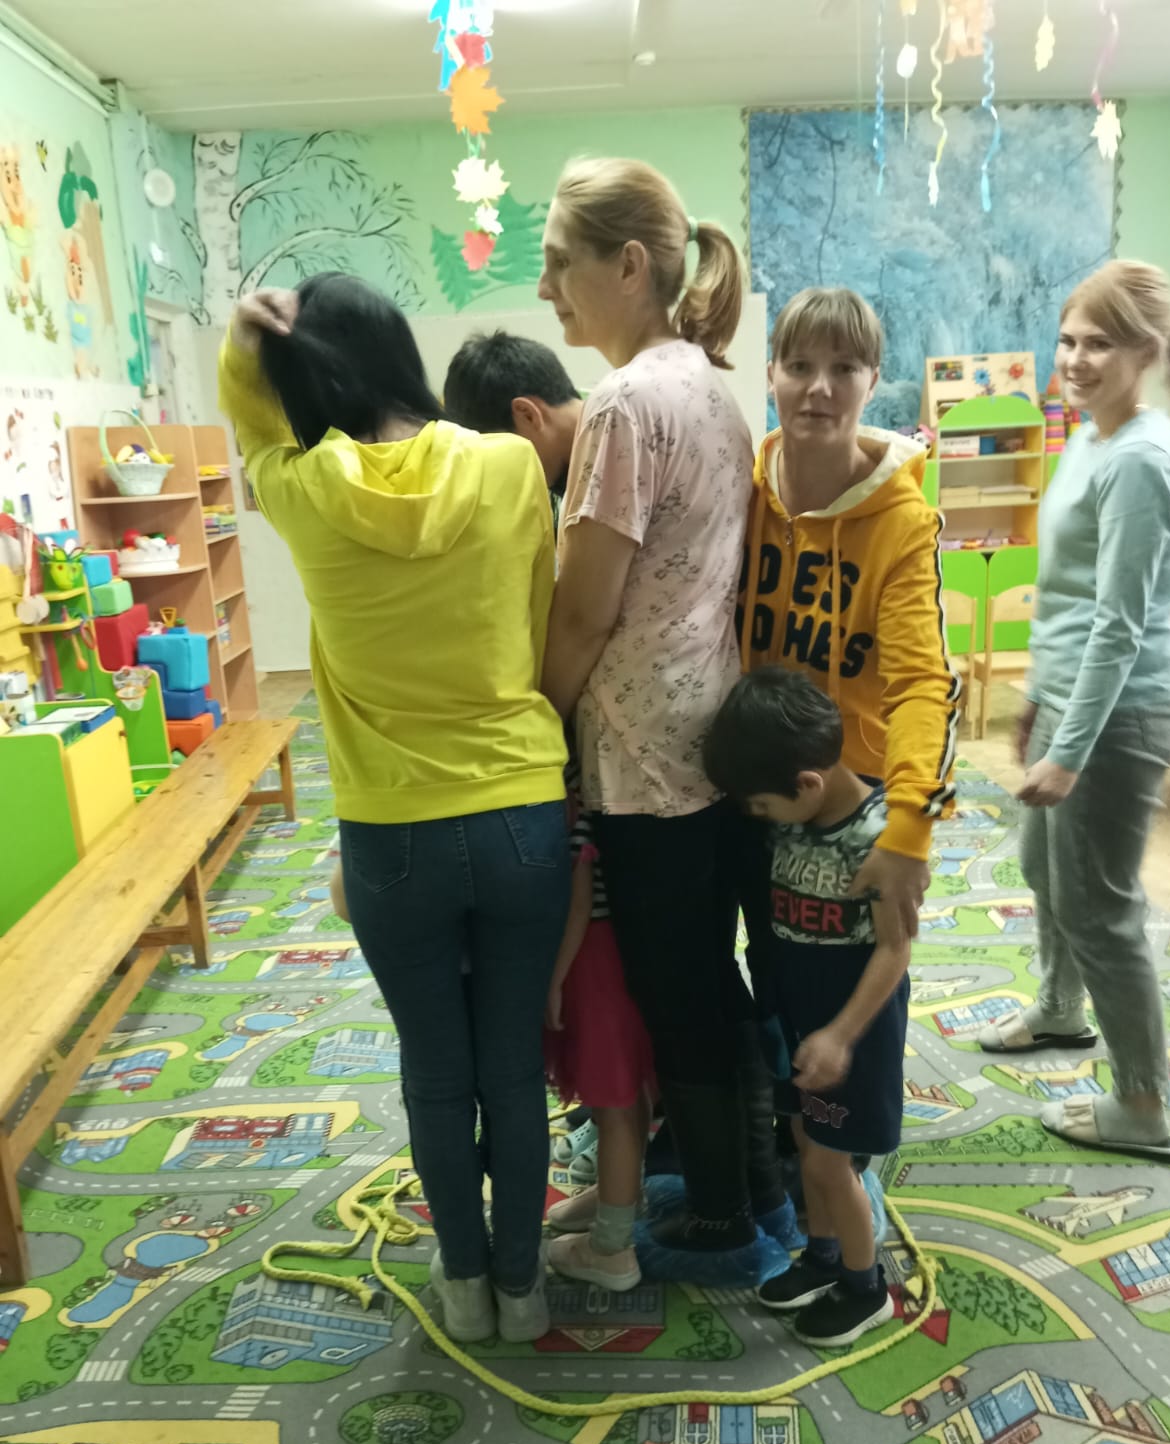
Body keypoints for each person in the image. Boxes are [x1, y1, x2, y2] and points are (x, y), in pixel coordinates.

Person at [218, 274, 570, 1344]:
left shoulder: (300, 488)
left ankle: (462, 1286)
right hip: (520, 808)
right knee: (513, 1065)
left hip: (389, 831)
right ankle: (523, 1288)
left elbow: (251, 424)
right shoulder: (510, 466)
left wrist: (243, 347)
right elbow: (538, 618)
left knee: (435, 1069)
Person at [538, 156, 792, 1271]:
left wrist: (536, 719)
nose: (547, 287)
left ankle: (726, 1208)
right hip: (706, 732)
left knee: (676, 986)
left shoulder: (625, 403)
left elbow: (586, 607)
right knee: (707, 975)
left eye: (561, 262)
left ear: (629, 265)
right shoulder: (706, 386)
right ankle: (748, 1177)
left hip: (645, 755)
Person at [976, 261, 1170, 1162]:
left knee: (1101, 909)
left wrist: (1070, 750)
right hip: (1072, 698)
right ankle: (1061, 1008)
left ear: (1147, 351)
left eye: (1098, 343)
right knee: (1045, 869)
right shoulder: (1090, 436)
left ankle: (1142, 1104)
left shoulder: (1142, 458)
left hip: (1119, 714)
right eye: (1067, 339)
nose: (1074, 359)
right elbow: (1067, 596)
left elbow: (1119, 624)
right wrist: (1039, 696)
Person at [328, 330, 583, 925]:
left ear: (527, 416)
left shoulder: (594, 463)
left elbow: (571, 620)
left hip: (545, 748)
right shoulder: (562, 465)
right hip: (528, 755)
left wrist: (537, 717)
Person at [739, 287, 959, 947]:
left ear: (873, 381)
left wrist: (910, 830)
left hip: (850, 797)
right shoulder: (741, 492)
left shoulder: (903, 524)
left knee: (854, 985)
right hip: (751, 783)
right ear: (771, 374)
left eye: (844, 368)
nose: (819, 388)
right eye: (799, 366)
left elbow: (923, 684)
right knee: (767, 976)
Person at [704, 668, 909, 1346]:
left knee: (827, 1164)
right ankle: (823, 1259)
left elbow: (894, 950)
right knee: (803, 1139)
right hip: (798, 1020)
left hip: (851, 1032)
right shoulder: (798, 817)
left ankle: (865, 1286)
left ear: (807, 784)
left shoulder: (879, 837)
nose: (758, 818)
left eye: (762, 806)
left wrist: (843, 1035)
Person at [543, 761, 656, 1290]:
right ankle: (622, 1196)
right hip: (623, 946)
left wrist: (555, 978)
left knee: (614, 1103)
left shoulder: (566, 780)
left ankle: (612, 1249)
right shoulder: (594, 772)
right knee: (629, 1093)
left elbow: (579, 893)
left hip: (591, 957)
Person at [443, 330, 582, 496]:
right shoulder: (590, 462)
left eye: (499, 458)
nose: (506, 475)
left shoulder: (608, 461)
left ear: (527, 415)